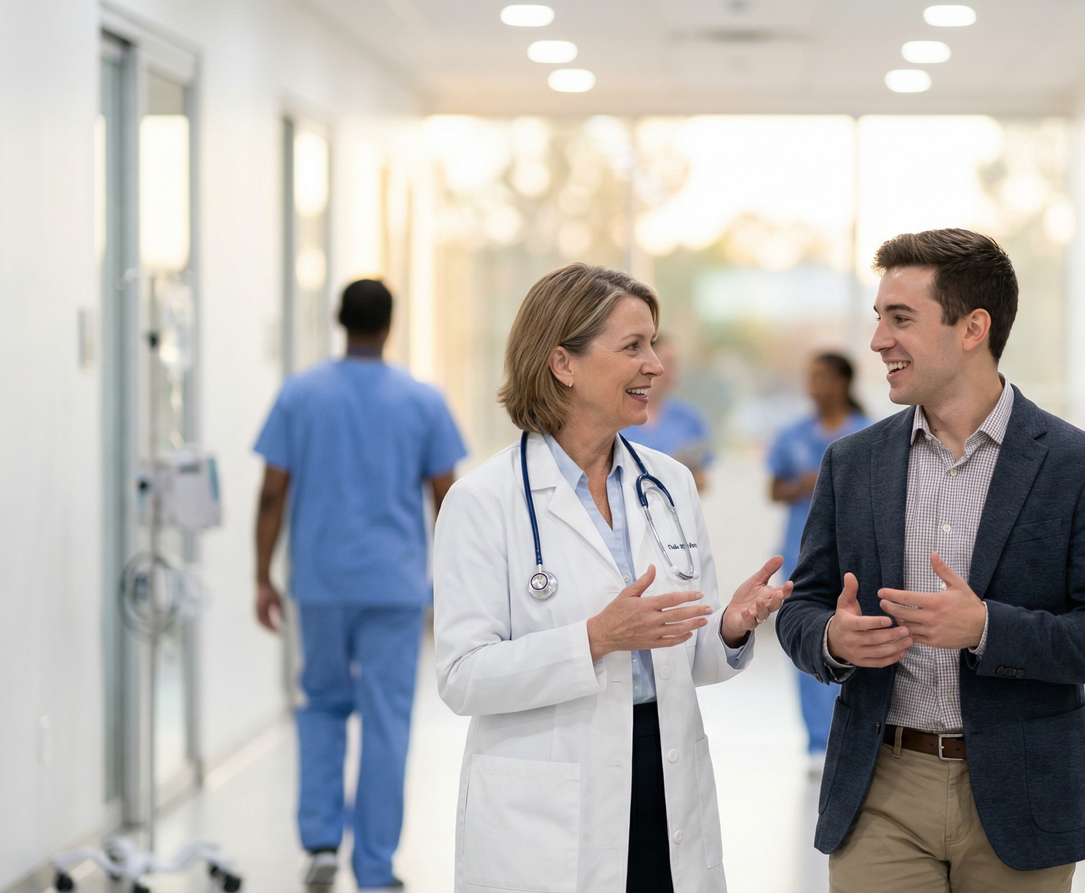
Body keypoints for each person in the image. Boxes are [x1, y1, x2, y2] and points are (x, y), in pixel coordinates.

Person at [776, 229, 1085, 892]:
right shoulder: (852, 465)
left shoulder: (1080, 468)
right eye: (878, 318)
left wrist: (985, 628)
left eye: (901, 319)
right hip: (881, 786)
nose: (878, 340)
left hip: (1022, 788)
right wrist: (833, 637)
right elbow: (801, 608)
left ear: (973, 327)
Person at [431, 263, 791, 893]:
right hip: (550, 802)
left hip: (663, 775)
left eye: (652, 344)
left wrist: (729, 629)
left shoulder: (670, 484)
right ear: (563, 363)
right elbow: (462, 678)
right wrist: (594, 638)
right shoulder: (483, 500)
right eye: (633, 347)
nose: (655, 365)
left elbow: (693, 657)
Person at [252, 279, 468, 893]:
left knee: (320, 704)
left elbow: (272, 491)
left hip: (319, 583)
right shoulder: (422, 401)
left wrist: (260, 574)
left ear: (337, 320)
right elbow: (446, 500)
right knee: (386, 720)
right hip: (396, 587)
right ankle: (374, 867)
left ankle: (321, 843)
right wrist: (456, 586)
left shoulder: (300, 394)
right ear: (389, 324)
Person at [766, 353, 869, 774]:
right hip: (801, 551)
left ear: (844, 382)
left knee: (856, 641)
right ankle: (816, 740)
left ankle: (855, 734)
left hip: (856, 553)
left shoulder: (868, 433)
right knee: (807, 638)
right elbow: (774, 490)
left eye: (822, 377)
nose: (814, 384)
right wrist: (802, 486)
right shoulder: (792, 434)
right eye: (809, 376)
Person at [621, 337, 713, 491]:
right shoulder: (617, 416)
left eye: (674, 365)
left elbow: (701, 483)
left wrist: (681, 470)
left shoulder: (689, 419)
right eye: (668, 363)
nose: (671, 373)